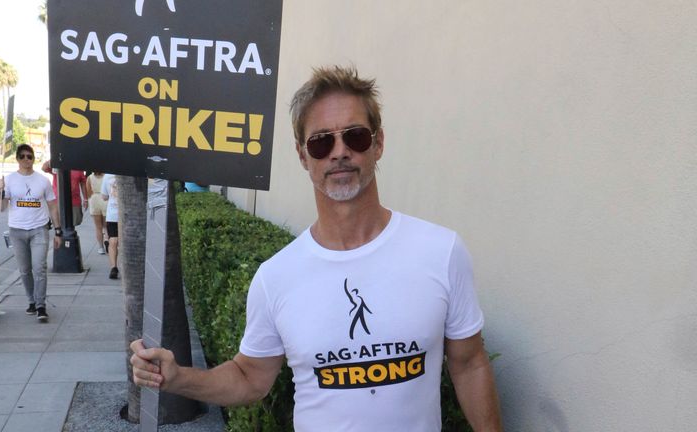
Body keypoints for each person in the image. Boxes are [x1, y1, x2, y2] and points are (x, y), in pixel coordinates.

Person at [130, 66, 503, 431]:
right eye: (321, 142)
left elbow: (469, 364)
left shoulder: (440, 251)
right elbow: (249, 378)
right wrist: (178, 378)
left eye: (354, 136)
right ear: (303, 155)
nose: (339, 153)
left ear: (378, 143)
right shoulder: (276, 277)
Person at [0, 144, 62, 322]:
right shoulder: (10, 179)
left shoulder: (43, 181)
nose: (27, 160)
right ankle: (31, 301)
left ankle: (41, 305)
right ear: (17, 159)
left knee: (39, 267)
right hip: (17, 230)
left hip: (39, 229)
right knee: (25, 270)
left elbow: (53, 206)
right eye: (23, 156)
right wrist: (0, 190)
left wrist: (58, 231)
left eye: (30, 156)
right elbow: (1, 208)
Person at [41, 160, 88, 226]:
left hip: (74, 201)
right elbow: (44, 168)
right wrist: (54, 157)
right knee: (59, 224)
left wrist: (85, 199)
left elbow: (83, 182)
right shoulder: (58, 165)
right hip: (59, 201)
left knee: (74, 223)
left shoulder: (78, 165)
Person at [101, 173, 119, 279]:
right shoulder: (107, 176)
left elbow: (104, 196)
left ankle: (114, 267)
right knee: (116, 241)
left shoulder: (107, 176)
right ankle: (115, 267)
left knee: (114, 240)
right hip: (118, 215)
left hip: (114, 213)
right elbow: (104, 196)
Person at [86, 172, 108, 254]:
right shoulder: (106, 176)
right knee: (106, 226)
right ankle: (107, 239)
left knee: (98, 227)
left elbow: (88, 192)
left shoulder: (89, 178)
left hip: (94, 200)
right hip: (105, 200)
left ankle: (101, 248)